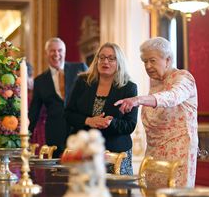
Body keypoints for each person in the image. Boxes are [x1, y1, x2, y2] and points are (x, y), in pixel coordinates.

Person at [114, 37, 198, 187]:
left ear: (168, 59)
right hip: (153, 154)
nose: (147, 66)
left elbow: (173, 97)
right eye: (145, 62)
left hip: (178, 154)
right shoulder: (156, 84)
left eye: (152, 60)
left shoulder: (184, 78)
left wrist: (138, 100)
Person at [65, 42, 137, 175]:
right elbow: (68, 114)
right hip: (84, 151)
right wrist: (88, 120)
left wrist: (111, 123)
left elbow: (130, 125)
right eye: (102, 57)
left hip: (116, 153)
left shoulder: (129, 88)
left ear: (119, 62)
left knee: (117, 195)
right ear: (96, 59)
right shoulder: (82, 82)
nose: (105, 62)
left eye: (111, 58)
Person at [29, 37, 87, 157]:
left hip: (79, 129)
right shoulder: (40, 81)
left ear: (64, 52)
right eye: (52, 50)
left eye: (60, 50)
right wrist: (25, 135)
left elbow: (91, 95)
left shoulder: (80, 68)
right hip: (55, 133)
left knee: (81, 169)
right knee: (55, 172)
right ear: (46, 53)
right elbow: (34, 112)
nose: (56, 54)